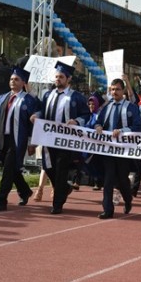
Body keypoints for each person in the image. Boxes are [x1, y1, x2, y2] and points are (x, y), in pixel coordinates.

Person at [32, 62, 90, 214]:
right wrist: (36, 116)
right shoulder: (47, 95)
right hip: (48, 138)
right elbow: (42, 111)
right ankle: (65, 187)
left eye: (61, 77)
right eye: (56, 77)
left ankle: (57, 204)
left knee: (61, 169)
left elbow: (86, 115)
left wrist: (76, 121)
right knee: (48, 167)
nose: (57, 79)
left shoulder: (75, 97)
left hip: (65, 140)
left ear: (68, 79)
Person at [0, 68, 39, 211]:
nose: (12, 82)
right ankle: (25, 191)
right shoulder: (1, 98)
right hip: (3, 139)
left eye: (16, 79)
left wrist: (32, 142)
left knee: (8, 170)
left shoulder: (28, 100)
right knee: (12, 169)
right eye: (11, 79)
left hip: (18, 140)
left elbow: (33, 124)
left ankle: (0, 200)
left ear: (23, 83)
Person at [94, 78, 141, 219]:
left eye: (118, 89)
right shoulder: (106, 107)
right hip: (108, 150)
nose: (115, 92)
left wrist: (122, 130)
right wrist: (98, 126)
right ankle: (107, 209)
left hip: (123, 150)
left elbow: (137, 127)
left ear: (123, 91)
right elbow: (98, 121)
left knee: (122, 180)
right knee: (108, 180)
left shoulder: (131, 107)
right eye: (113, 89)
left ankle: (128, 199)